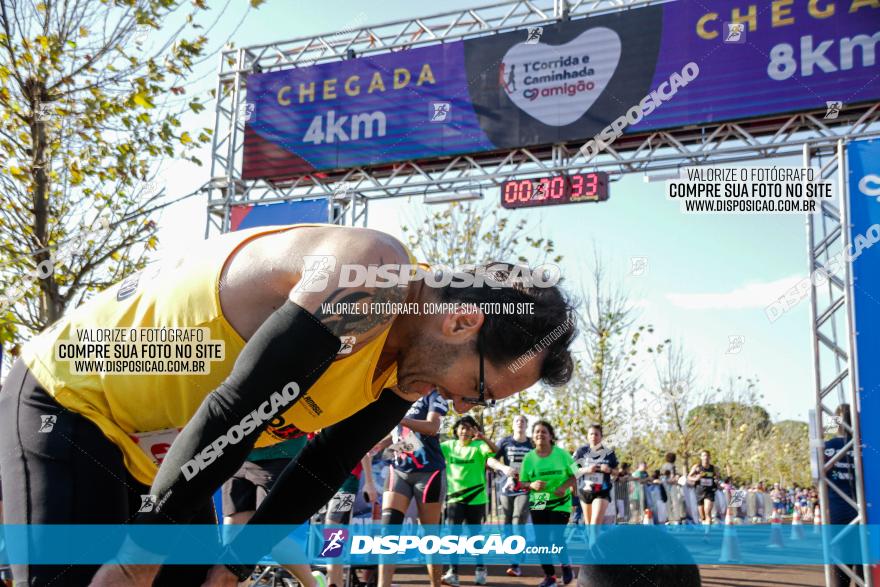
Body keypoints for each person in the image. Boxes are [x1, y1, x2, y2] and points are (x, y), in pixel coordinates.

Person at [0, 224, 577, 587]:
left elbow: (325, 464)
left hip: (161, 452)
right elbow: (237, 410)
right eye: (477, 390)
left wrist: (236, 564)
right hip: (71, 397)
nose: (457, 405)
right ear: (459, 322)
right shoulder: (374, 275)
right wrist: (135, 560)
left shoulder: (410, 366)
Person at [222, 436, 327, 587]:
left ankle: (312, 584)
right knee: (232, 541)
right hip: (239, 456)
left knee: (269, 538)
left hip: (281, 455)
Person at [378, 389, 449, 587]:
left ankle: (435, 584)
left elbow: (432, 427)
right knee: (388, 532)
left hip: (429, 472)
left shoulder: (436, 395)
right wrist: (378, 446)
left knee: (429, 536)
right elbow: (400, 437)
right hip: (399, 470)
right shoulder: (400, 395)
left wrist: (400, 419)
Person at [520, 420, 577, 587]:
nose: (540, 434)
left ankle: (566, 565)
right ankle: (550, 576)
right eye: (537, 431)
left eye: (544, 432)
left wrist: (564, 486)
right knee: (541, 540)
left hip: (560, 500)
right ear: (533, 436)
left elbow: (576, 473)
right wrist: (531, 485)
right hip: (539, 499)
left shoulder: (562, 454)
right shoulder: (529, 458)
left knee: (556, 536)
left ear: (551, 436)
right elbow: (523, 482)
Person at [440, 416, 494, 587]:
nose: (464, 431)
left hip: (477, 499)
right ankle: (452, 573)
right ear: (456, 430)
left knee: (475, 537)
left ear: (473, 431)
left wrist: (484, 437)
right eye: (461, 428)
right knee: (452, 537)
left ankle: (480, 570)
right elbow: (430, 451)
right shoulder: (448, 446)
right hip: (455, 499)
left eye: (468, 428)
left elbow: (496, 451)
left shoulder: (479, 446)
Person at [486, 414, 534, 577]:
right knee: (507, 524)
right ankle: (514, 554)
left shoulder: (532, 443)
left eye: (522, 421)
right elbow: (490, 461)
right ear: (513, 425)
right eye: (517, 421)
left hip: (525, 488)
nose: (519, 423)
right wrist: (503, 468)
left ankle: (516, 563)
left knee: (518, 519)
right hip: (507, 487)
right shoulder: (505, 442)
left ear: (526, 425)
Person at [825, 404, 862, 587]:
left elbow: (817, 480)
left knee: (841, 568)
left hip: (838, 514)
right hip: (866, 513)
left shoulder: (826, 447)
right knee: (865, 567)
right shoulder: (865, 447)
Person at [573, 424, 618, 529]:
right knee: (589, 527)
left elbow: (617, 472)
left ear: (601, 437)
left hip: (602, 491)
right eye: (591, 434)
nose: (593, 436)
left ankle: (595, 544)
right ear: (588, 436)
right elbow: (573, 471)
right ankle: (593, 545)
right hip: (585, 491)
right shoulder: (581, 451)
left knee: (594, 526)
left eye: (596, 434)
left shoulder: (609, 453)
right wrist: (586, 470)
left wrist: (609, 470)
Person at [688, 450, 718, 525]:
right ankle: (705, 528)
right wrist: (696, 478)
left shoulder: (713, 468)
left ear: (710, 457)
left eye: (707, 456)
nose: (706, 457)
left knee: (707, 511)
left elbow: (717, 477)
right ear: (701, 457)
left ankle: (708, 534)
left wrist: (716, 480)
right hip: (699, 492)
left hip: (709, 492)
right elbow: (689, 477)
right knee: (703, 517)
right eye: (704, 456)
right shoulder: (697, 467)